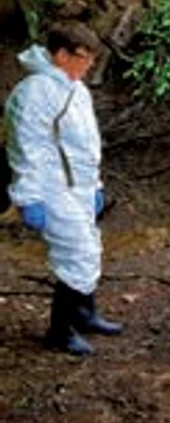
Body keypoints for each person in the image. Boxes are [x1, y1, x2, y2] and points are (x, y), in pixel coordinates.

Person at [5, 22, 122, 356]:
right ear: (60, 54)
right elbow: (25, 149)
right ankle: (60, 331)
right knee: (77, 256)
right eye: (83, 58)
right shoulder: (33, 93)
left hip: (79, 186)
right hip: (52, 189)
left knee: (90, 247)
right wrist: (29, 197)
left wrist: (94, 184)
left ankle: (85, 314)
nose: (88, 67)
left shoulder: (75, 88)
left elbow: (85, 144)